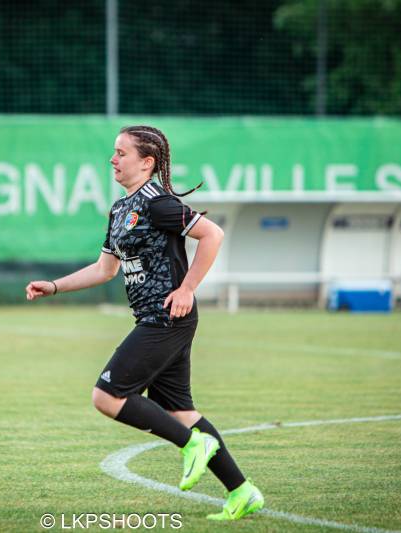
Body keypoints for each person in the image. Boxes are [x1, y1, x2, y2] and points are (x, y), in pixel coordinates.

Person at [25, 125, 263, 521]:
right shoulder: (121, 209)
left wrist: (187, 288)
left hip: (167, 317)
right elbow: (105, 269)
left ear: (146, 162)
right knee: (180, 411)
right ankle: (242, 491)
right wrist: (54, 286)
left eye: (121, 153)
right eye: (113, 153)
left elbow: (213, 235)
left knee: (107, 396)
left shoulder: (158, 203)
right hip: (155, 318)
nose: (112, 160)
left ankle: (192, 446)